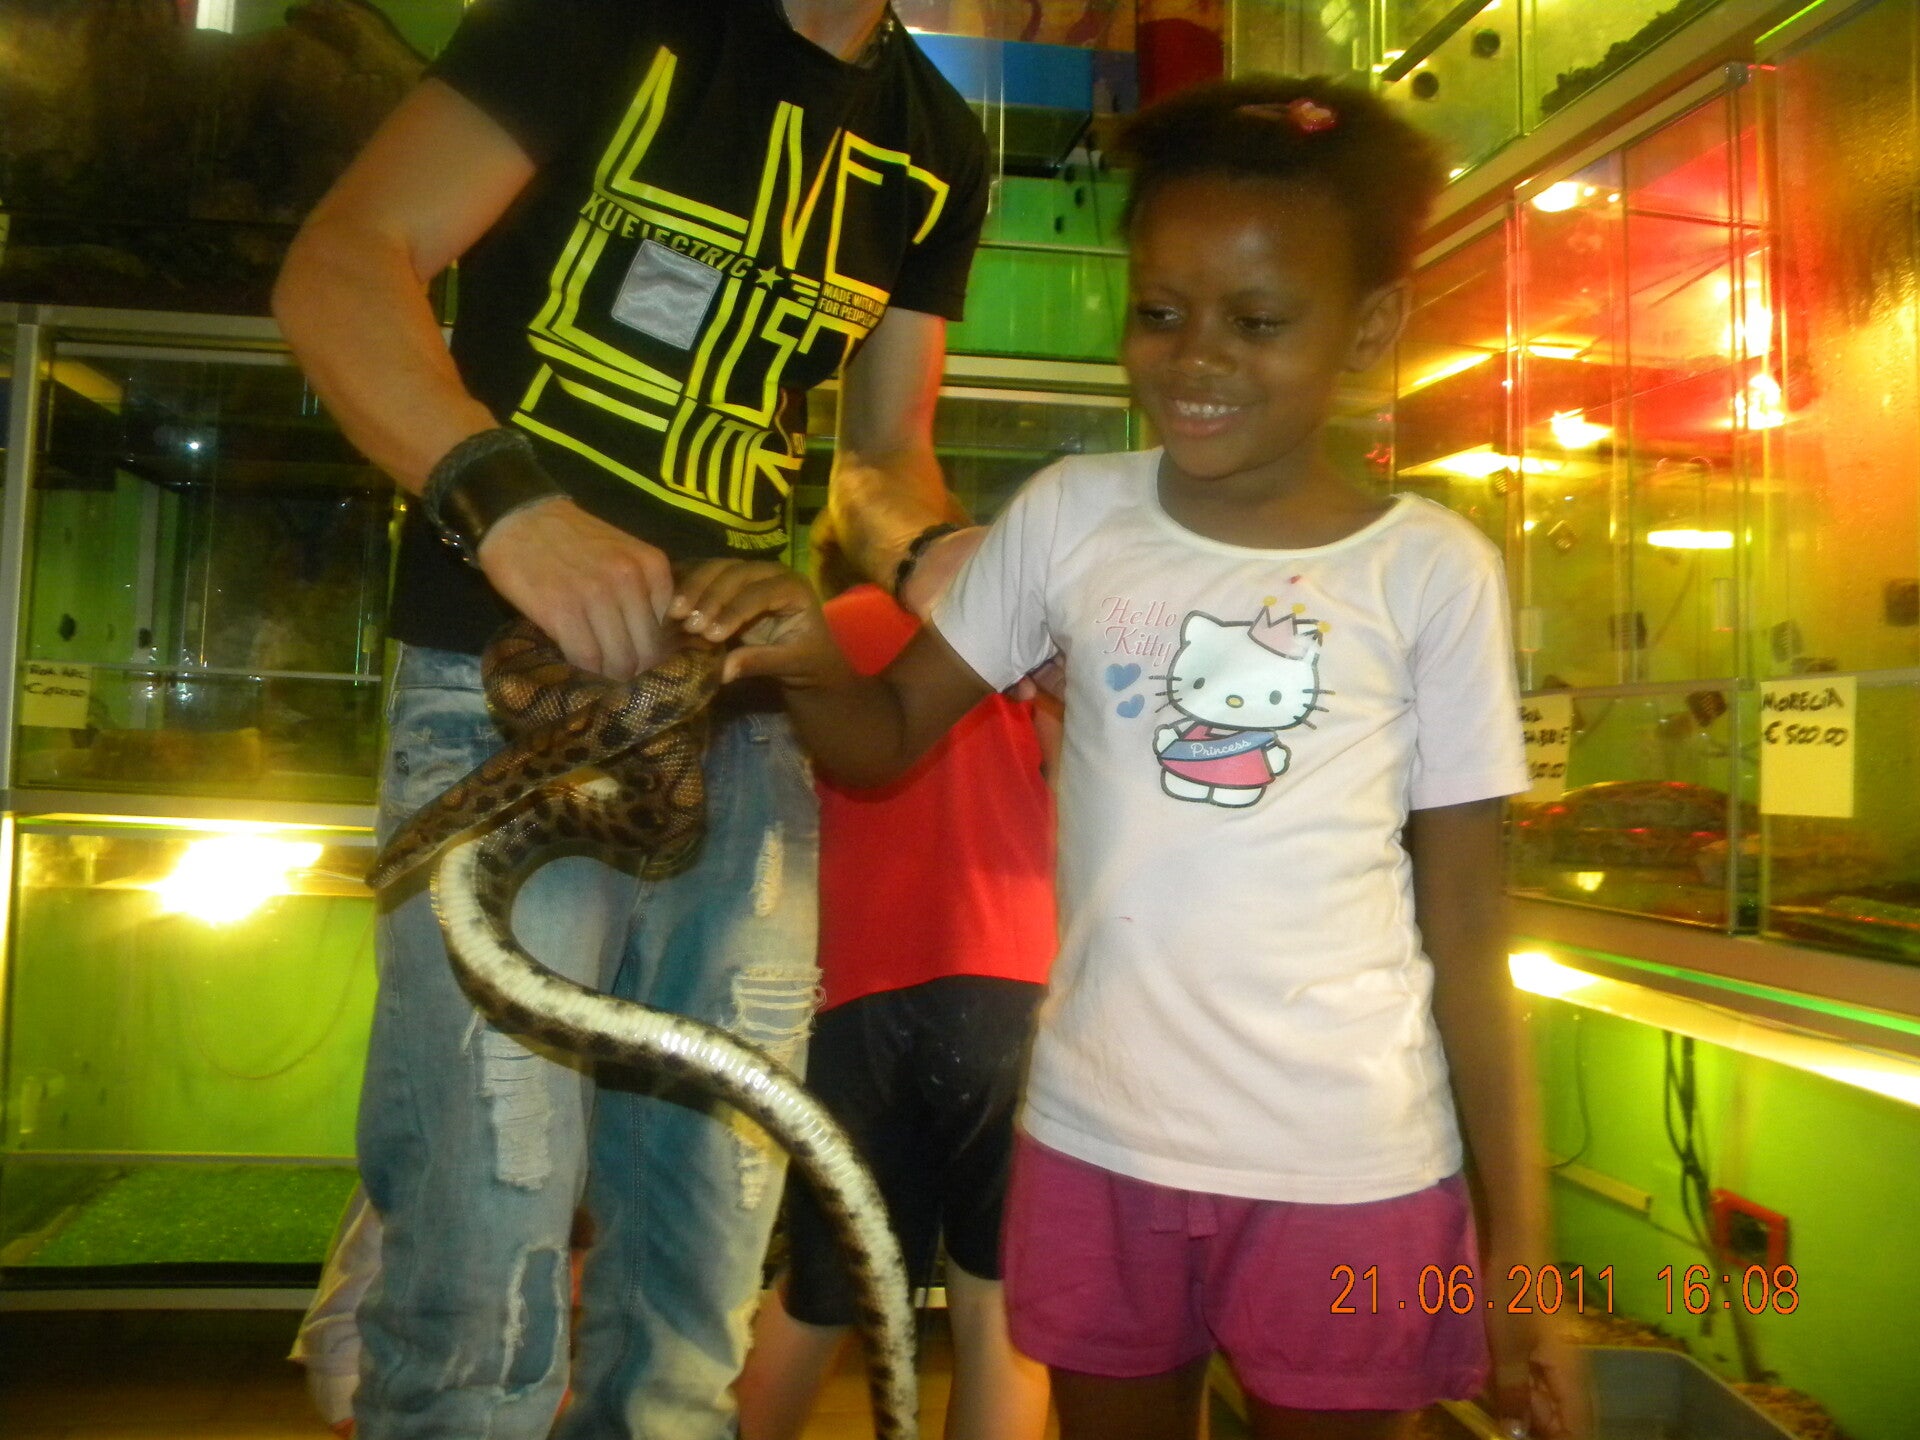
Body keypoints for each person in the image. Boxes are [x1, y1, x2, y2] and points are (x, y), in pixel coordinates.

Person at [671, 76, 1592, 1440]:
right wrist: (811, 654)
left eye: (1257, 322)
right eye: (1160, 313)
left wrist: (1523, 1249)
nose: (1195, 358)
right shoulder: (1070, 518)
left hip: (1351, 1163)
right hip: (1099, 1146)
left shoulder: (1430, 572)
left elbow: (1466, 923)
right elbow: (882, 743)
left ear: (1369, 328)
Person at [271, 1, 990, 1434]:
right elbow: (343, 265)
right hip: (502, 700)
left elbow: (879, 458)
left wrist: (940, 555)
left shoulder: (939, 141)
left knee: (696, 1279)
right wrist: (511, 510)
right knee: (480, 1281)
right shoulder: (604, 16)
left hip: (744, 725)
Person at [735, 524, 1057, 1440]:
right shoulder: (994, 627)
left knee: (827, 1289)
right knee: (997, 1306)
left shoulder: (815, 636)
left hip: (850, 996)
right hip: (1011, 980)